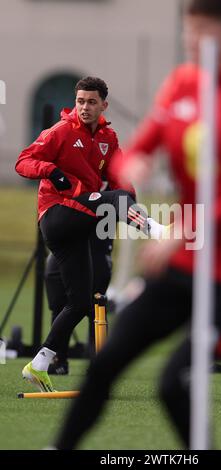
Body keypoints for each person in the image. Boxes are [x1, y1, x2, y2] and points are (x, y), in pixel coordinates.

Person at [52, 0, 221, 449]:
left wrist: (180, 233)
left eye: (202, 30)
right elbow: (139, 148)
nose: (191, 40)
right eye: (188, 29)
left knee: (173, 382)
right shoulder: (183, 83)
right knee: (106, 363)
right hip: (185, 264)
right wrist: (134, 166)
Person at [15, 76, 167, 392]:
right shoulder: (61, 131)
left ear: (103, 105)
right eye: (81, 101)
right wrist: (50, 171)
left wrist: (129, 202)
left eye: (91, 102)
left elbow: (121, 178)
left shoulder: (108, 138)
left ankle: (40, 363)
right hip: (57, 215)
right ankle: (156, 231)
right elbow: (24, 161)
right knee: (114, 200)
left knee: (82, 301)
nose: (84, 107)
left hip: (81, 220)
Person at [45, 235, 113, 375]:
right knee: (58, 305)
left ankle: (99, 363)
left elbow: (124, 212)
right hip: (62, 252)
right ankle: (58, 360)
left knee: (95, 308)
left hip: (96, 253)